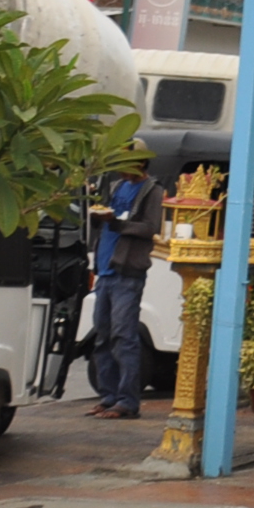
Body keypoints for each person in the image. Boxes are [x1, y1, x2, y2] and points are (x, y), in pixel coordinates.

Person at [86, 167, 164, 419]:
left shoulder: (153, 191)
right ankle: (108, 397)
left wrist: (116, 223)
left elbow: (150, 227)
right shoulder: (116, 187)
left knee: (124, 336)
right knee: (102, 336)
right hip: (105, 270)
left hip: (127, 272)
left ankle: (127, 402)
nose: (121, 170)